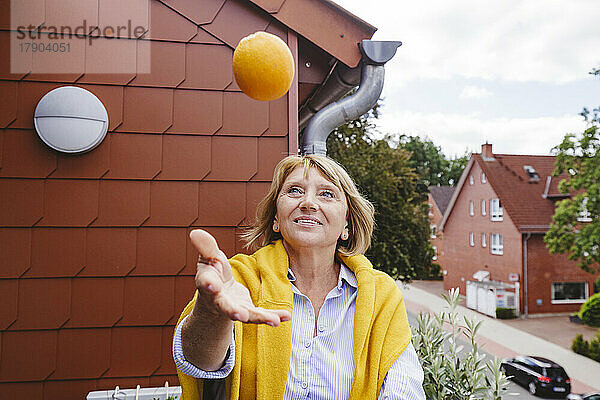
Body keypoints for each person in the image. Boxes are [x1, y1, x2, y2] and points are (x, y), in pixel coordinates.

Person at [173, 154, 425, 399]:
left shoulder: (381, 295)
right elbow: (198, 362)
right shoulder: (238, 279)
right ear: (276, 219)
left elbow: (403, 388)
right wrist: (211, 313)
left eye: (326, 194)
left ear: (346, 225)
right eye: (294, 190)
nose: (308, 203)